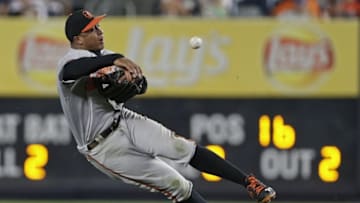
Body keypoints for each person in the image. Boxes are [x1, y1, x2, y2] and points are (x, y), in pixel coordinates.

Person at [57, 9, 276, 203]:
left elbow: (136, 85)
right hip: (103, 147)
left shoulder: (103, 56)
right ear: (78, 39)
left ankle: (251, 183)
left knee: (182, 148)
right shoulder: (70, 61)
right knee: (177, 185)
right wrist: (116, 59)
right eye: (92, 29)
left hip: (122, 119)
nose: (100, 31)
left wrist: (136, 82)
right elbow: (73, 71)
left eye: (98, 26)